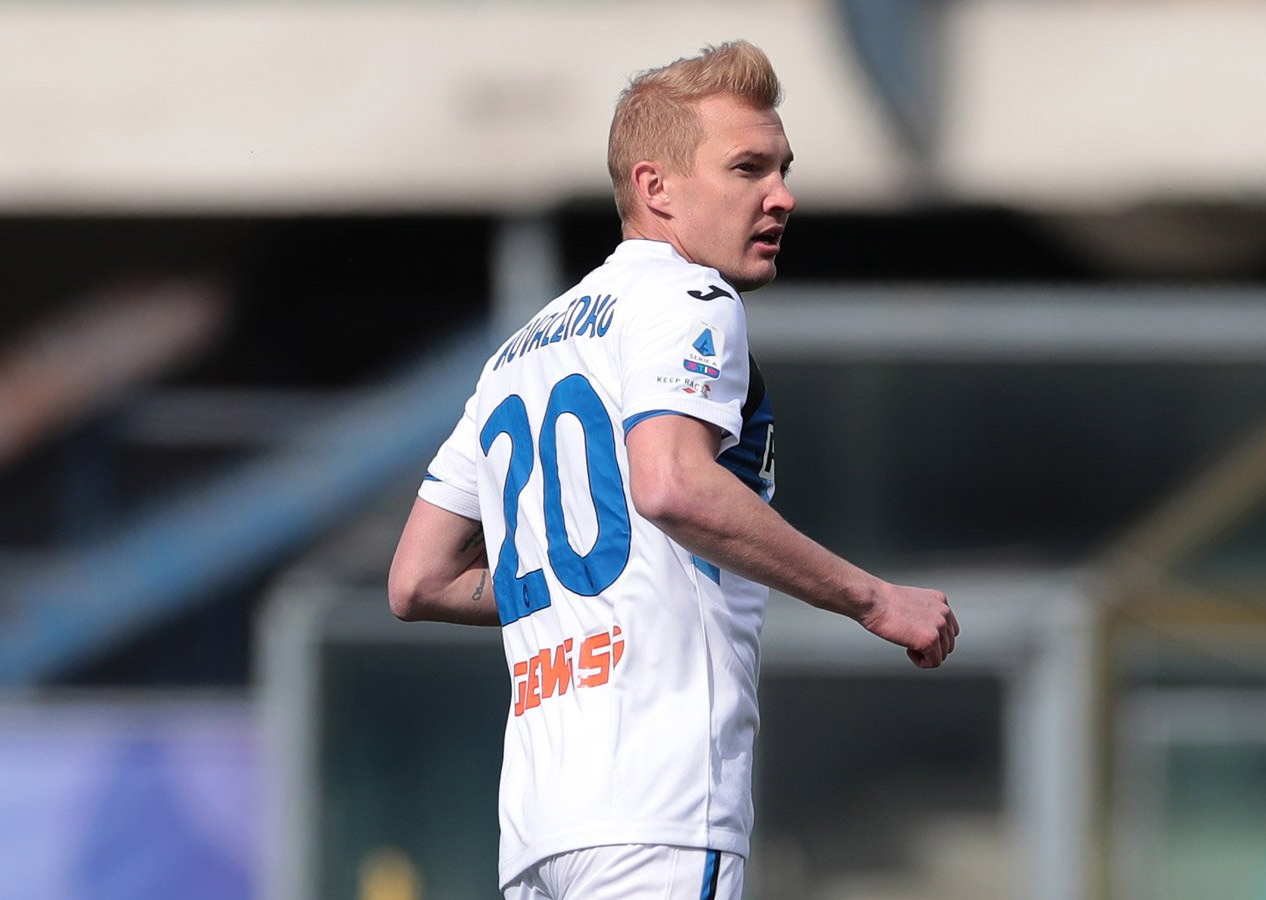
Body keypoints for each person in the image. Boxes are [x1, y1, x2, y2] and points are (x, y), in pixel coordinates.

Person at [388, 39, 958, 900]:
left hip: (538, 829)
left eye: (782, 169)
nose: (781, 195)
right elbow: (671, 484)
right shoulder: (691, 297)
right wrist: (874, 599)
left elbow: (419, 579)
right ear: (656, 187)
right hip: (658, 808)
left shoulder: (518, 353)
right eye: (747, 169)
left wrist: (592, 592)